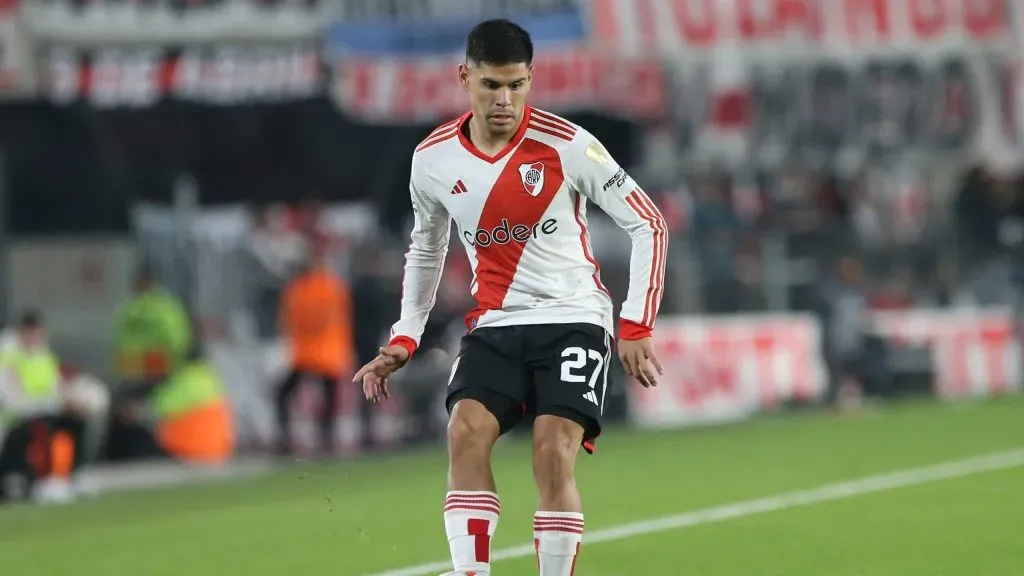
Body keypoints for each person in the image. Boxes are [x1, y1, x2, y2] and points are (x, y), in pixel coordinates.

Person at [352, 19, 667, 576]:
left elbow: (649, 224)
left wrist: (636, 324)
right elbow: (425, 250)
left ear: (530, 79)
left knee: (551, 451)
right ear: (464, 77)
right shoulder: (433, 159)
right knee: (464, 433)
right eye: (491, 85)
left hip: (574, 318)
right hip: (495, 325)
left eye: (517, 85)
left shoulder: (568, 144)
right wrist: (406, 336)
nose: (504, 99)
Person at [0, 311, 92, 504]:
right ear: (22, 332)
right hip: (17, 420)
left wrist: (69, 401)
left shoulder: (45, 356)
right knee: (42, 425)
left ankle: (74, 475)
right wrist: (46, 405)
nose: (36, 339)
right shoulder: (9, 357)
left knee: (76, 421)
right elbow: (12, 398)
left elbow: (58, 387)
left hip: (46, 411)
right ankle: (45, 481)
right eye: (32, 334)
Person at [276, 248, 354, 455]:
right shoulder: (329, 286)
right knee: (326, 394)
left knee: (288, 393)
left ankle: (296, 436)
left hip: (315, 350)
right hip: (321, 351)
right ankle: (325, 437)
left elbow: (291, 319)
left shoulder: (301, 288)